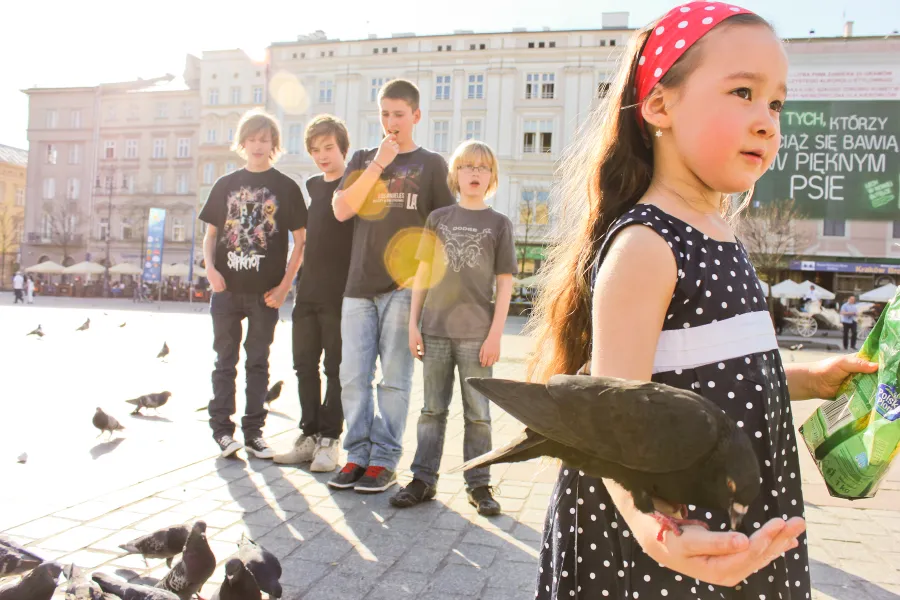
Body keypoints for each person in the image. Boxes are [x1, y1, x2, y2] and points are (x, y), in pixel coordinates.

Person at [524, 3, 879, 598]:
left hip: (733, 521)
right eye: (743, 92)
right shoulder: (647, 244)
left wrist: (808, 379)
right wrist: (653, 526)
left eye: (776, 104)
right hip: (665, 536)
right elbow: (615, 420)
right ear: (660, 105)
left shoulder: (720, 232)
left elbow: (705, 369)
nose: (767, 121)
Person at [329, 79, 455, 493]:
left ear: (416, 115)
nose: (391, 122)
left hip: (405, 288)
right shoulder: (366, 158)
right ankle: (356, 455)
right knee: (352, 376)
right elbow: (342, 209)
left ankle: (383, 460)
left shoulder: (432, 164)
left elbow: (443, 230)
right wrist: (379, 164)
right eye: (384, 114)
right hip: (358, 286)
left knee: (394, 379)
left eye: (398, 114)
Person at [390, 140, 517, 515]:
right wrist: (413, 324)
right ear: (455, 174)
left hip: (478, 334)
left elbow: (506, 282)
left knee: (478, 413)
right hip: (435, 330)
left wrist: (496, 334)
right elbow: (423, 275)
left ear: (492, 176)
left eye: (482, 168)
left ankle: (479, 485)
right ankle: (423, 479)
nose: (474, 174)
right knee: (431, 410)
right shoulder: (439, 219)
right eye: (467, 167)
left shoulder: (499, 224)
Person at [200, 108, 308, 459]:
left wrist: (284, 287)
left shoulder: (285, 187)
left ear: (274, 145)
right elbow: (210, 235)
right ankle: (222, 432)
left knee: (258, 362)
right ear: (243, 142)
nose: (258, 145)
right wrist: (211, 271)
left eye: (265, 139)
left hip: (265, 294)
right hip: (226, 291)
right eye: (253, 139)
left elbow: (301, 241)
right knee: (224, 361)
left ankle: (254, 433)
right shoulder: (225, 184)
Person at [274, 115, 354, 472]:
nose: (322, 155)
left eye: (329, 148)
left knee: (335, 369)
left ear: (342, 149)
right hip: (306, 295)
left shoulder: (354, 187)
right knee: (304, 366)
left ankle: (329, 440)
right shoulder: (311, 186)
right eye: (316, 149)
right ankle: (307, 436)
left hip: (340, 296)